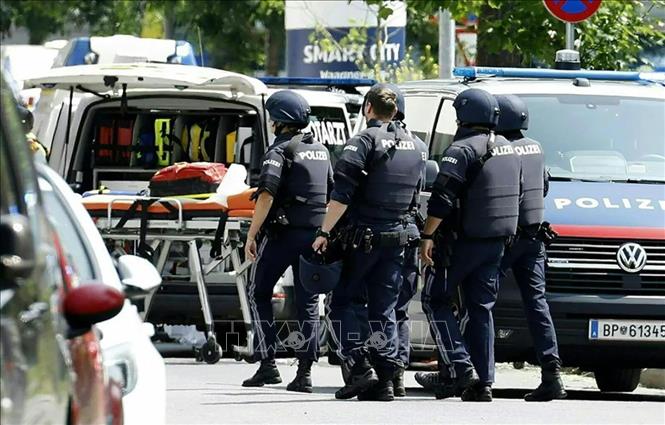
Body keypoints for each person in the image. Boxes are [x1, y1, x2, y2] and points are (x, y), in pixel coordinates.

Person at [313, 84, 427, 402]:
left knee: (341, 303)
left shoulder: (363, 141)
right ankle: (387, 380)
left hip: (364, 239)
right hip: (399, 240)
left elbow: (341, 196)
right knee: (385, 310)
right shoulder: (418, 146)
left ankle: (359, 366)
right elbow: (416, 195)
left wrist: (324, 233)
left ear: (367, 108)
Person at [419, 88, 521, 401]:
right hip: (497, 242)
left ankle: (461, 367)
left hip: (461, 243)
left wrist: (427, 235)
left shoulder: (460, 150)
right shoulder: (508, 148)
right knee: (481, 309)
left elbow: (442, 198)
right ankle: (484, 382)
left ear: (465, 114)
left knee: (434, 300)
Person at [242, 90, 333, 393]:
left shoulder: (278, 151)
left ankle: (267, 363)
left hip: (283, 236)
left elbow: (266, 195)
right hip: (315, 236)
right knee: (308, 302)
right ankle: (304, 373)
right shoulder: (321, 151)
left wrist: (252, 234)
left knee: (258, 292)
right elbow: (331, 191)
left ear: (279, 121)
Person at [494, 94, 566, 402]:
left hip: (505, 238)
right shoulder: (536, 147)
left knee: (476, 300)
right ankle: (552, 375)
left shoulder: (500, 149)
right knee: (537, 305)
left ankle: (465, 372)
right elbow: (543, 186)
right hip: (535, 238)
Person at [386, 84, 428, 398]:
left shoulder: (370, 141)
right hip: (410, 231)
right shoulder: (419, 145)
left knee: (381, 306)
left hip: (378, 234)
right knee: (399, 307)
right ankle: (398, 372)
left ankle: (386, 372)